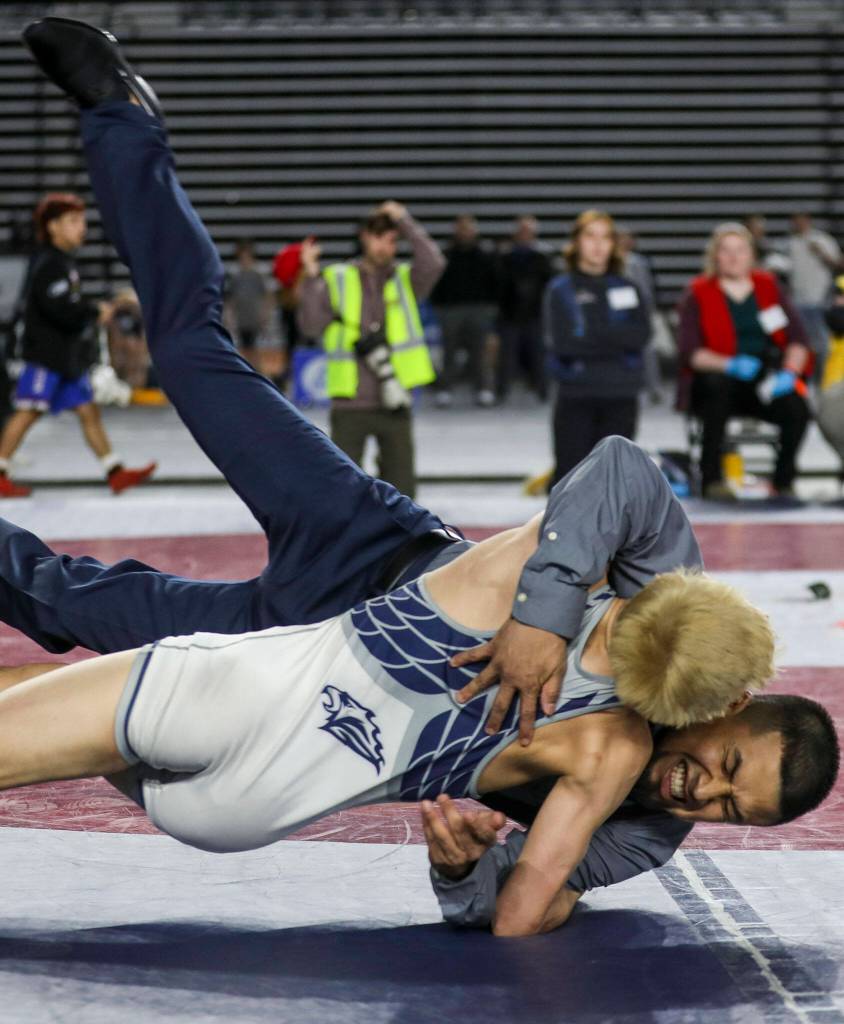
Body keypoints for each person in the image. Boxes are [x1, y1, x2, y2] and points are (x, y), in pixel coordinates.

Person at [8, 21, 840, 935]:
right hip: (370, 549)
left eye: (728, 814)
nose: (700, 795)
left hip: (294, 679)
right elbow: (623, 473)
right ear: (736, 704)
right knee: (189, 354)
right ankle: (122, 122)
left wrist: (461, 875)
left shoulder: (640, 829)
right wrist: (540, 616)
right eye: (727, 766)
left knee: (64, 606)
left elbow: (533, 895)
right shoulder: (684, 616)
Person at [0, 192, 156, 498]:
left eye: (82, 220)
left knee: (88, 411)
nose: (82, 227)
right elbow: (61, 309)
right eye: (73, 221)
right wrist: (96, 311)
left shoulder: (61, 262)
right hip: (45, 357)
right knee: (28, 411)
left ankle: (115, 471)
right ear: (53, 226)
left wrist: (95, 309)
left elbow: (66, 305)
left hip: (63, 358)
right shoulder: (49, 263)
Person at [297, 202, 444, 498]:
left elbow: (434, 262)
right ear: (364, 237)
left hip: (396, 398)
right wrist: (311, 276)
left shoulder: (406, 279)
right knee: (343, 488)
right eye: (378, 237)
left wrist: (404, 220)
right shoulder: (338, 277)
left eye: (391, 240)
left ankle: (401, 545)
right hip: (350, 401)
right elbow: (311, 326)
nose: (384, 246)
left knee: (403, 490)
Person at [677, 222, 813, 501]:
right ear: (715, 256)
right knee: (717, 390)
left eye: (740, 250)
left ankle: (783, 481)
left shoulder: (768, 287)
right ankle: (712, 479)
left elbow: (798, 340)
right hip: (719, 378)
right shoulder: (698, 292)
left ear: (751, 254)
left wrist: (789, 372)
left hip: (764, 379)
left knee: (797, 408)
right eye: (726, 251)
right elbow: (690, 352)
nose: (734, 257)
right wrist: (728, 364)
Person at [545, 210, 652, 486]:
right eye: (590, 236)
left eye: (605, 237)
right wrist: (615, 339)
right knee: (570, 482)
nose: (598, 244)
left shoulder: (627, 286)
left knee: (615, 482)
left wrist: (592, 336)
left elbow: (641, 335)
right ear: (576, 242)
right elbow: (562, 343)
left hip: (621, 393)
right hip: (577, 393)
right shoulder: (561, 289)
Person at [430, 214, 499, 407]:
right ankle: (445, 390)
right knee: (449, 352)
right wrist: (439, 305)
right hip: (450, 309)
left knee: (480, 353)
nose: (465, 232)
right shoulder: (446, 255)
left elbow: (495, 281)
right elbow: (436, 282)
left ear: (474, 231)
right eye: (461, 228)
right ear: (455, 231)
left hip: (478, 308)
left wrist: (491, 307)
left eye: (468, 229)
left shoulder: (485, 254)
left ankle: (483, 390)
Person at [496, 215, 553, 404]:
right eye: (522, 231)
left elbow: (550, 285)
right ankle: (501, 392)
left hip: (535, 315)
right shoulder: (505, 257)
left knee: (539, 357)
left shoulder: (543, 256)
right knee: (506, 358)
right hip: (510, 314)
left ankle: (542, 391)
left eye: (529, 231)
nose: (525, 235)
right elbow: (498, 285)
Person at [785, 211, 841, 372]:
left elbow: (838, 263)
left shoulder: (821, 239)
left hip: (819, 298)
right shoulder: (792, 242)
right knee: (803, 341)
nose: (798, 224)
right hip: (798, 299)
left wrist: (821, 252)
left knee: (822, 343)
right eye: (795, 221)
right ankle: (809, 379)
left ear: (808, 221)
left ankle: (825, 375)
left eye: (801, 220)